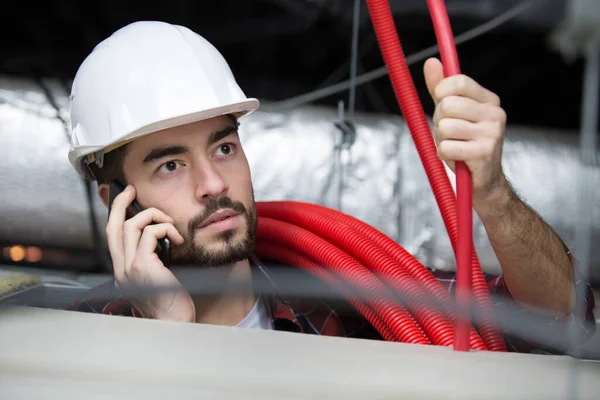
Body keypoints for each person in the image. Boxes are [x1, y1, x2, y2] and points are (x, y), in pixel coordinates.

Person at [67, 21, 595, 352]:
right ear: (116, 201)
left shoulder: (348, 296)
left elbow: (557, 323)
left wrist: (495, 195)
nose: (213, 184)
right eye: (170, 166)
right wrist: (167, 339)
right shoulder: (74, 340)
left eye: (224, 147)